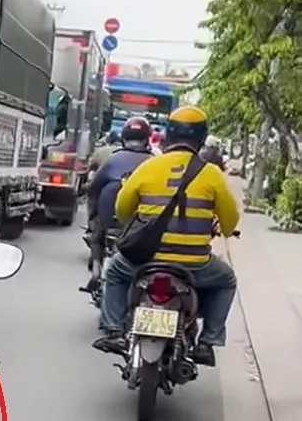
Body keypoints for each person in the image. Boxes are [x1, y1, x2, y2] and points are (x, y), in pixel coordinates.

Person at [92, 106, 240, 367]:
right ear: (202, 138)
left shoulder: (149, 167)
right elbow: (229, 222)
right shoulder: (211, 174)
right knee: (226, 280)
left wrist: (136, 226)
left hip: (145, 260)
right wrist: (222, 228)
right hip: (194, 264)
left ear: (167, 136)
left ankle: (114, 330)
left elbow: (122, 209)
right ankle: (207, 342)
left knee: (114, 272)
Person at [83, 116, 154, 288]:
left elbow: (93, 189)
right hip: (143, 224)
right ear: (147, 139)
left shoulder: (112, 160)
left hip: (111, 220)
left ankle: (96, 262)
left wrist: (92, 218)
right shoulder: (155, 163)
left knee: (96, 228)